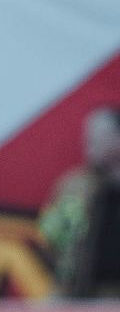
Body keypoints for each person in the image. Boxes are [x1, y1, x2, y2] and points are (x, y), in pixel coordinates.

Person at [38, 105, 120, 298]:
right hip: (82, 293)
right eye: (88, 136)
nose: (88, 143)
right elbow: (53, 236)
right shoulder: (77, 186)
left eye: (97, 137)